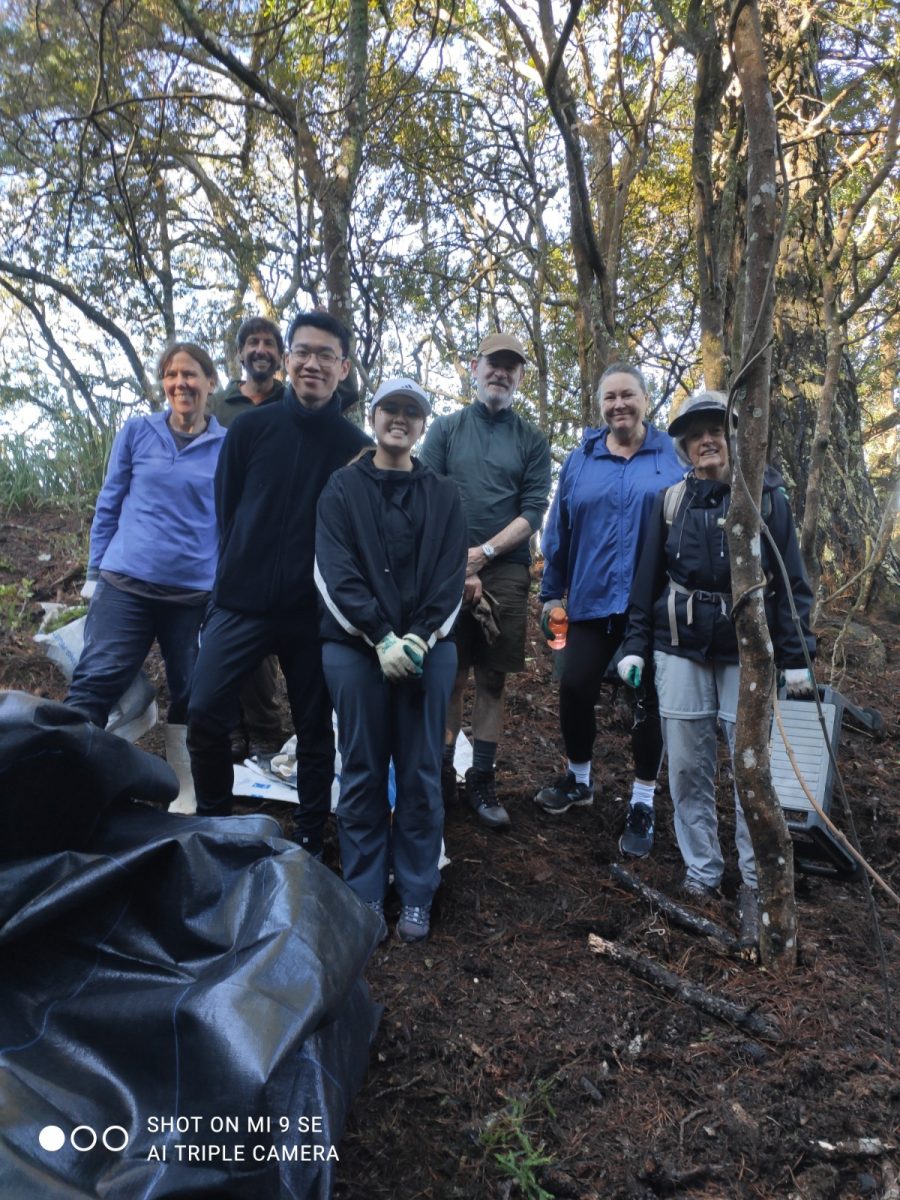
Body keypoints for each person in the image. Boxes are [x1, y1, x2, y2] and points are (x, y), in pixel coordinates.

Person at [617, 389, 815, 941]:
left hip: (747, 650)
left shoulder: (766, 498)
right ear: (683, 445)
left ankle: (754, 881)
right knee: (686, 765)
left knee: (751, 767)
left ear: (737, 437)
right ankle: (702, 872)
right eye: (695, 433)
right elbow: (645, 584)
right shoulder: (669, 502)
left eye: (717, 430)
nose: (707, 440)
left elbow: (792, 584)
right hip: (679, 646)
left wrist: (796, 657)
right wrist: (634, 644)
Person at [186, 311, 371, 856]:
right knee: (204, 712)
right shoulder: (250, 429)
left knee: (314, 727)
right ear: (288, 360)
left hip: (312, 612)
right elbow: (228, 510)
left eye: (325, 355)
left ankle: (311, 833)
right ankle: (214, 823)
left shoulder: (356, 448)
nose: (313, 363)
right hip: (240, 603)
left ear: (343, 368)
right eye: (303, 352)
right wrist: (231, 578)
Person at [315, 378, 468, 942]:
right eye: (390, 409)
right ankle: (365, 891)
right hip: (355, 649)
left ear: (423, 424)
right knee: (361, 770)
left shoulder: (444, 494)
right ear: (374, 417)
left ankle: (418, 889)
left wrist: (419, 639)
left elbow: (451, 577)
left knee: (422, 771)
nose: (399, 419)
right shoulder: (341, 488)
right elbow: (333, 572)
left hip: (429, 650)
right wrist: (380, 637)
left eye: (411, 411)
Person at [66, 343, 226, 809]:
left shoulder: (227, 445)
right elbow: (110, 501)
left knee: (193, 689)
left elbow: (231, 520)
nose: (181, 383)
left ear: (211, 382)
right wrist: (94, 572)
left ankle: (183, 787)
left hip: (193, 593)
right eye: (171, 375)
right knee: (96, 680)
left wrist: (224, 586)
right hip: (125, 584)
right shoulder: (138, 432)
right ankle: (71, 783)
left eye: (190, 374)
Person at [536, 363, 684, 860]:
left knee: (646, 700)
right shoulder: (582, 459)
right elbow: (559, 530)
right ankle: (579, 778)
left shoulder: (671, 456)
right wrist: (551, 594)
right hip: (591, 598)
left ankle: (642, 800)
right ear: (600, 405)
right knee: (575, 685)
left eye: (628, 395)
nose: (619, 404)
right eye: (610, 397)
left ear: (645, 399)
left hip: (653, 605)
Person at [420, 333, 551, 830]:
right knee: (450, 671)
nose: (500, 373)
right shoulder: (447, 429)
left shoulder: (531, 440)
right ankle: (441, 775)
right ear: (474, 367)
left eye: (510, 367)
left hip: (507, 569)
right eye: (493, 364)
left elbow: (533, 511)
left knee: (493, 677)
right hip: (446, 565)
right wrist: (458, 563)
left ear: (520, 377)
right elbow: (426, 496)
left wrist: (485, 554)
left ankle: (482, 777)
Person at [208, 316, 289, 762]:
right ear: (240, 353)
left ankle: (263, 729)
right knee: (224, 630)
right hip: (221, 529)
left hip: (276, 531)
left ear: (281, 356)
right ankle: (232, 727)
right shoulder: (218, 406)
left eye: (269, 343)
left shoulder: (292, 400)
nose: (261, 349)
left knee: (260, 637)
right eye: (253, 342)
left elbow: (344, 394)